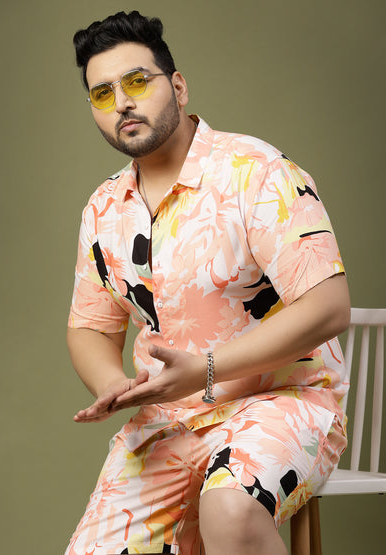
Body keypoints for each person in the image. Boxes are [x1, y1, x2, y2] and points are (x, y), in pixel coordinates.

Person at [65, 10, 350, 555]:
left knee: (229, 508)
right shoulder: (102, 209)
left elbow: (328, 306)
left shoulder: (257, 171)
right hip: (167, 423)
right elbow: (90, 327)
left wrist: (208, 369)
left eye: (136, 82)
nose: (121, 102)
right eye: (103, 93)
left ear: (178, 86)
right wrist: (111, 383)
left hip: (282, 402)